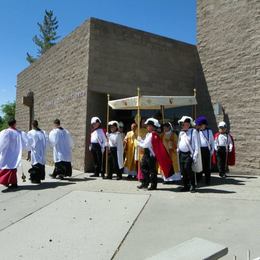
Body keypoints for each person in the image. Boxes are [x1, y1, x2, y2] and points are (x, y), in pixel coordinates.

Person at [137, 118, 174, 190]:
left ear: (153, 127)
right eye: (147, 125)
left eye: (149, 126)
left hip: (151, 155)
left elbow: (145, 145)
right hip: (146, 153)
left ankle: (153, 185)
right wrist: (140, 140)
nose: (147, 127)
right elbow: (145, 143)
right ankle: (145, 183)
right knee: (143, 168)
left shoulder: (152, 135)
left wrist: (137, 142)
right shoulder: (149, 134)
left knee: (152, 171)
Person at [0, 119, 29, 188]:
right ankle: (13, 183)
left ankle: (10, 182)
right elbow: (26, 142)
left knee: (7, 167)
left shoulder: (4, 132)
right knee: (13, 167)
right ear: (15, 124)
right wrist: (28, 148)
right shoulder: (19, 133)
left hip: (7, 153)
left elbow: (2, 142)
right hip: (15, 152)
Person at [177, 116, 200, 192]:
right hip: (181, 154)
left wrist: (195, 156)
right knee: (183, 171)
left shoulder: (193, 132)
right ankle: (185, 186)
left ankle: (192, 185)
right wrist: (178, 149)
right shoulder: (181, 132)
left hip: (189, 154)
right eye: (183, 124)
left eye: (185, 124)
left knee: (188, 169)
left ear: (189, 124)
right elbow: (179, 142)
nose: (183, 125)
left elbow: (196, 145)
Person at [195, 116, 214, 185]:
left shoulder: (209, 131)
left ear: (205, 124)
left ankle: (207, 180)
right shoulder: (196, 132)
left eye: (201, 125)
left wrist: (212, 151)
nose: (200, 126)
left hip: (207, 150)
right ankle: (198, 179)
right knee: (199, 166)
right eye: (199, 125)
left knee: (207, 167)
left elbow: (212, 142)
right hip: (199, 150)